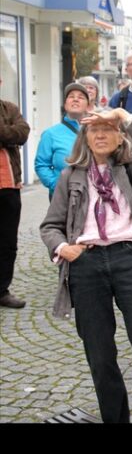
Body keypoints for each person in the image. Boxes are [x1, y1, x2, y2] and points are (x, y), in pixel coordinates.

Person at [39, 107, 132, 423]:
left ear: (120, 136)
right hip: (87, 265)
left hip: (131, 259)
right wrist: (64, 248)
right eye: (95, 130)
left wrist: (122, 114)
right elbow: (50, 225)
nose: (102, 134)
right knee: (100, 355)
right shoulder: (70, 176)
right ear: (86, 138)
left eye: (109, 129)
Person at [0, 82, 30, 309]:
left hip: (9, 186)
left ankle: (2, 290)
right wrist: (6, 132)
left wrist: (7, 132)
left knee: (8, 242)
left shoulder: (9, 108)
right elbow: (11, 134)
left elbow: (22, 133)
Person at [35, 83, 89, 199]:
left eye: (80, 97)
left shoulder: (95, 131)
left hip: (90, 193)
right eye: (71, 96)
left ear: (87, 106)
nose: (75, 99)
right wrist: (56, 185)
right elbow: (41, 164)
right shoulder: (50, 134)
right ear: (65, 105)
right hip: (62, 196)